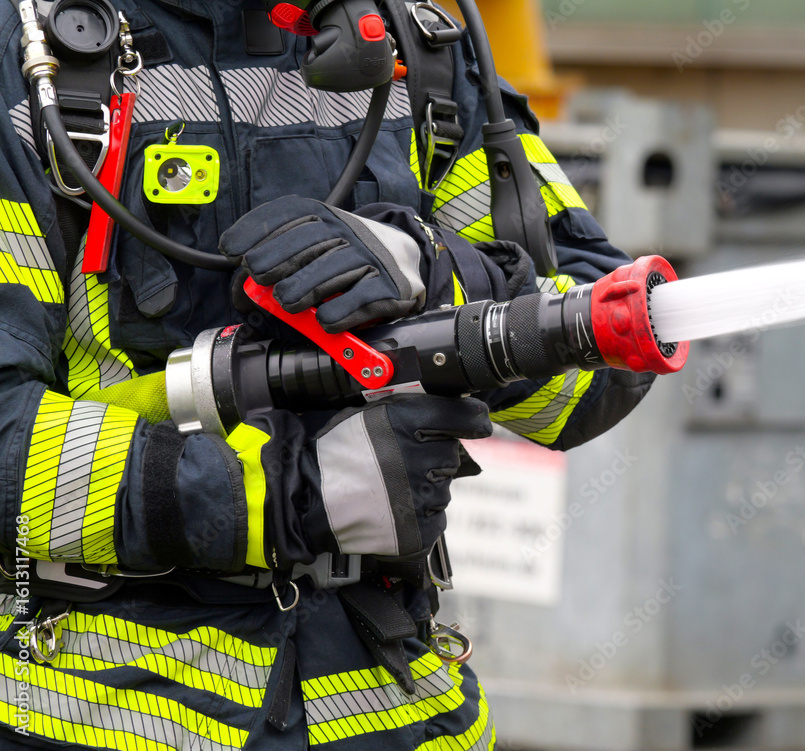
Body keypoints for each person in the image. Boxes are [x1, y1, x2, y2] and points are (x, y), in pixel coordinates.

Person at [0, 0, 654, 748]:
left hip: (404, 709)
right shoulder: (33, 66)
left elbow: (602, 361)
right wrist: (278, 496)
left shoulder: (419, 54)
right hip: (95, 715)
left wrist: (434, 273)